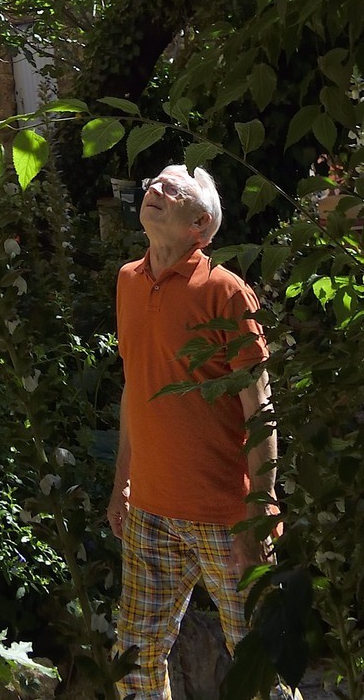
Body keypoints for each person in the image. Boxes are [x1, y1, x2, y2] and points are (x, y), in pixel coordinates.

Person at [107, 163, 281, 700]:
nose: (154, 190)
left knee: (262, 664)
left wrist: (264, 506)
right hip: (150, 514)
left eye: (172, 189)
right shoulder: (128, 282)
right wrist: (121, 486)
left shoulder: (226, 292)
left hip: (226, 517)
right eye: (153, 184)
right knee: (133, 660)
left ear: (199, 224)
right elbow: (135, 389)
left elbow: (259, 404)